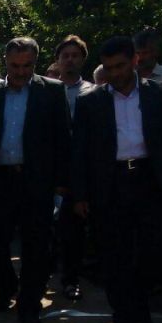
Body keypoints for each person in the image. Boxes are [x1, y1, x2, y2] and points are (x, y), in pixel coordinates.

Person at [72, 36, 162, 323]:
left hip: (150, 180)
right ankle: (123, 315)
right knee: (114, 253)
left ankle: (139, 303)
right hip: (110, 183)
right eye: (109, 68)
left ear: (135, 61)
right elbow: (80, 152)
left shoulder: (158, 94)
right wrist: (80, 194)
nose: (115, 73)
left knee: (153, 250)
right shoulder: (90, 101)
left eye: (120, 66)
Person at [0, 37, 72, 323]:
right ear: (5, 63)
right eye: (14, 66)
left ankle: (29, 302)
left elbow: (63, 138)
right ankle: (6, 285)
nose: (20, 72)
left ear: (36, 63)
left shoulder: (52, 91)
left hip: (36, 180)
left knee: (36, 245)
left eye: (27, 66)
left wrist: (61, 182)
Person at [53, 34, 96, 301]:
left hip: (81, 170)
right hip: (50, 168)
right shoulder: (47, 90)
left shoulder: (94, 92)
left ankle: (71, 278)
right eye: (65, 56)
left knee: (73, 228)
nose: (69, 60)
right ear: (57, 60)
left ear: (83, 59)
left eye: (75, 55)